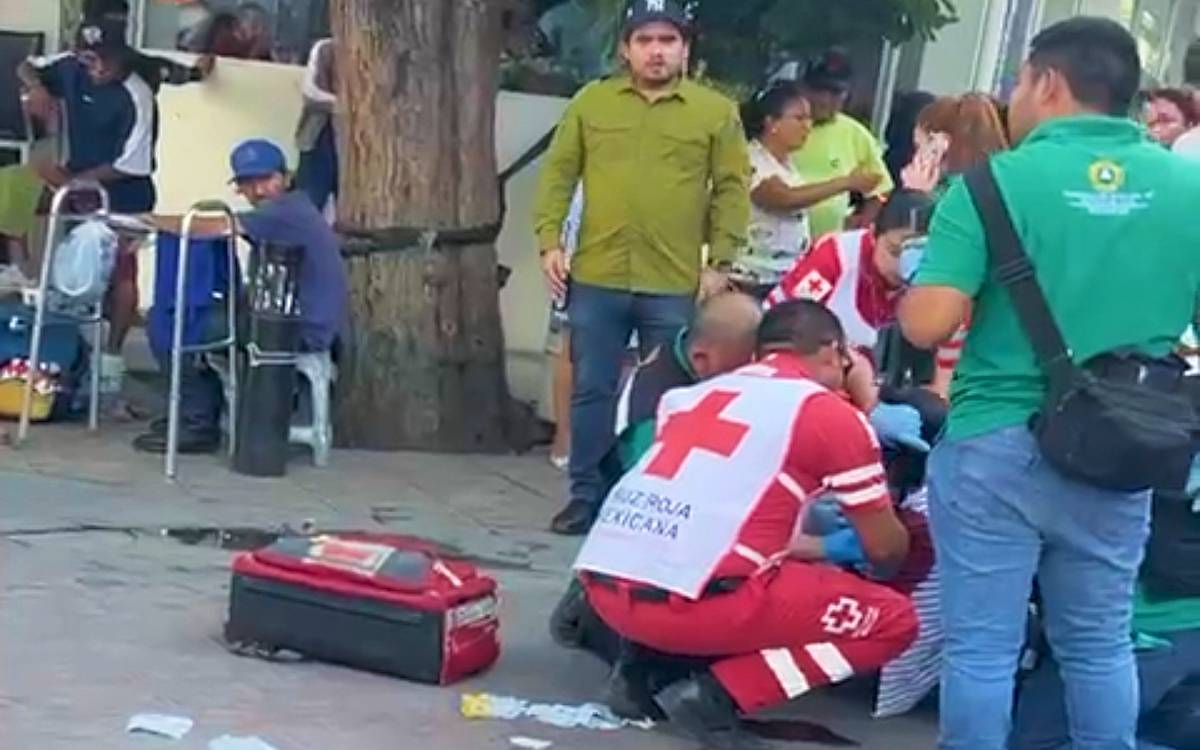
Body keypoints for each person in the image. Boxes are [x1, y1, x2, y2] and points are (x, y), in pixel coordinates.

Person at [898, 17, 1200, 750]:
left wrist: (916, 277)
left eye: (1019, 81)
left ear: (1048, 82)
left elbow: (927, 325)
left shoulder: (990, 186)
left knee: (981, 649)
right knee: (1098, 644)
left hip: (994, 442)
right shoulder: (1187, 188)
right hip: (1123, 444)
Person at [574, 299, 917, 749]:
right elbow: (885, 551)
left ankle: (640, 671)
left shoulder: (692, 397)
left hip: (604, 586)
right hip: (697, 606)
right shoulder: (828, 413)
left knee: (736, 561)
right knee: (894, 620)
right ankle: (714, 697)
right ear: (833, 352)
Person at [532, 0, 750, 536]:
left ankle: (651, 497)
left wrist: (720, 262)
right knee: (592, 388)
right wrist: (549, 243)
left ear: (685, 49)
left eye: (668, 40)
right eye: (645, 40)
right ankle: (585, 496)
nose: (656, 51)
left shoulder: (713, 112)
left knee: (669, 395)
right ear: (626, 48)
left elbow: (731, 188)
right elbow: (559, 175)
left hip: (672, 279)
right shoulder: (593, 102)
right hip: (597, 273)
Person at [551, 291, 763, 661]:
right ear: (701, 359)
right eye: (741, 370)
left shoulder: (694, 354)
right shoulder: (652, 403)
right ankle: (590, 600)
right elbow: (656, 485)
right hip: (641, 511)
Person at [133, 139, 349, 453]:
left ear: (285, 179)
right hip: (291, 317)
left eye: (265, 180)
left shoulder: (286, 212)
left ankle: (197, 422)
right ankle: (193, 414)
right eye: (249, 183)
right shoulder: (289, 210)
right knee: (200, 316)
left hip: (299, 327)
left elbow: (212, 227)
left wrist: (150, 220)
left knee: (172, 321)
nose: (258, 190)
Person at [18, 20, 159, 397]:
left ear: (122, 58)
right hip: (75, 184)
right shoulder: (68, 66)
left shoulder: (137, 95)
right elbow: (27, 64)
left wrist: (71, 183)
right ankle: (48, 327)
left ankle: (110, 362)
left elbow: (130, 163)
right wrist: (36, 89)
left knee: (120, 275)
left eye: (106, 61)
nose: (96, 69)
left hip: (124, 191)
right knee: (33, 225)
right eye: (89, 59)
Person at [900, 93, 1009, 400]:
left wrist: (914, 202)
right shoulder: (1000, 180)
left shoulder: (951, 198)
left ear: (939, 143)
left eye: (919, 144)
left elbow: (917, 271)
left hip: (952, 337)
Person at [736, 80, 881, 290]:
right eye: (799, 118)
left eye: (809, 118)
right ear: (771, 123)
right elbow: (783, 198)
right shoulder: (752, 159)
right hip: (753, 276)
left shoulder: (786, 163)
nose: (808, 126)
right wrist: (845, 183)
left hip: (787, 272)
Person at [792, 48, 893, 239]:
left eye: (835, 92)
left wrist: (863, 224)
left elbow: (882, 190)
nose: (824, 99)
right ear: (802, 87)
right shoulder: (783, 125)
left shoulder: (855, 134)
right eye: (818, 89)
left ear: (847, 95)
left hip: (828, 247)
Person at [295, 38, 338, 213]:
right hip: (319, 135)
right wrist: (345, 105)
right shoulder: (325, 48)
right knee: (310, 199)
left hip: (357, 141)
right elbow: (310, 92)